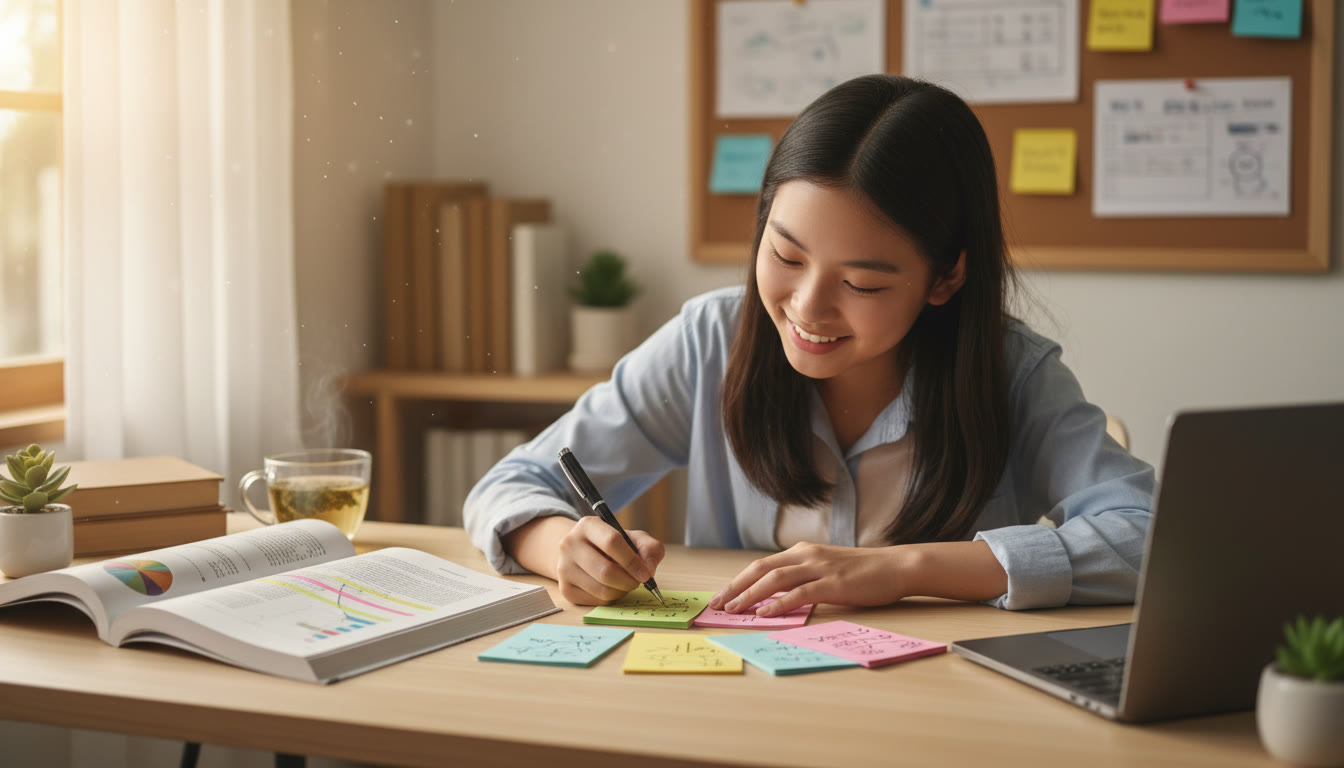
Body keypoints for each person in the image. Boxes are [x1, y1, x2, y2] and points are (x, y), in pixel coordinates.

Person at [463, 74, 1154, 614]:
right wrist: (563, 548)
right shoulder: (711, 341)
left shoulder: (1009, 372)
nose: (806, 308)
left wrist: (907, 569)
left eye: (860, 283)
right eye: (786, 257)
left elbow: (1149, 538)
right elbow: (510, 485)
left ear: (945, 277)